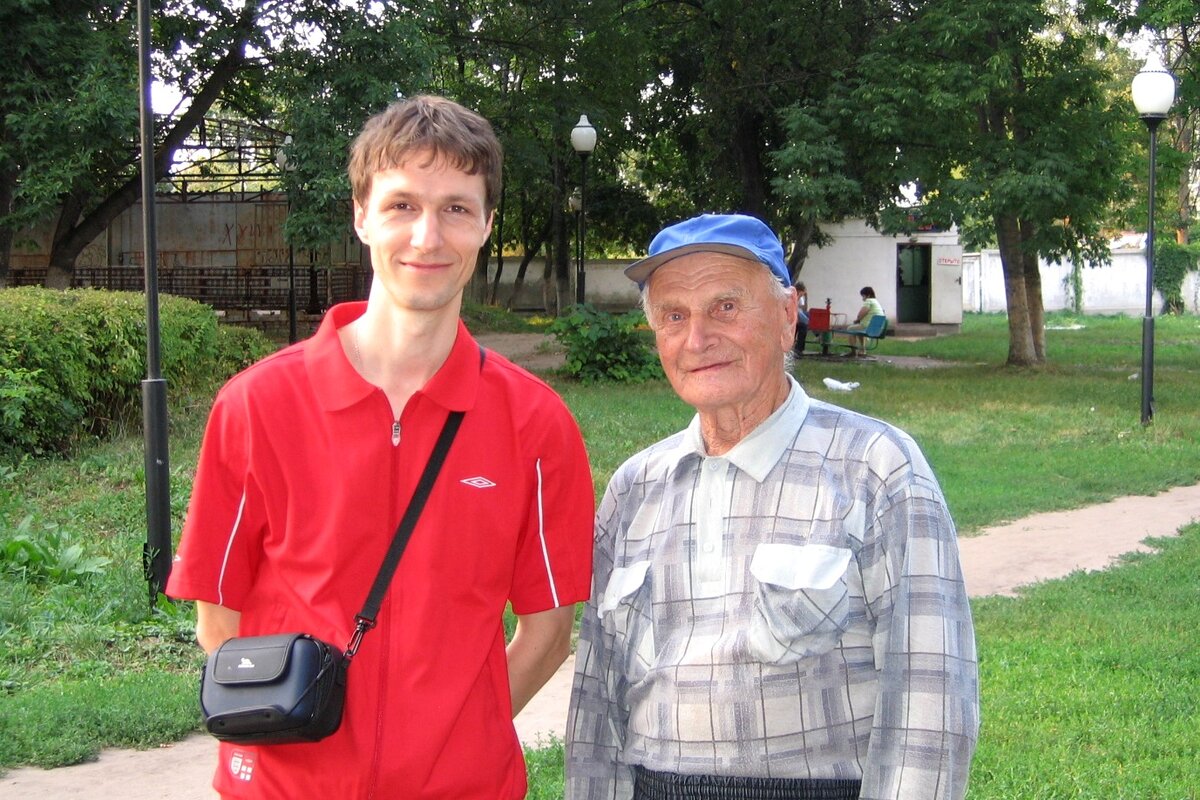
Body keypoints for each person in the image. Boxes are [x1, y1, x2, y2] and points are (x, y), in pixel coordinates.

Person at [167, 95, 595, 798]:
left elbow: (548, 633)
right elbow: (218, 614)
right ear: (361, 215)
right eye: (402, 205)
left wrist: (454, 741)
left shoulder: (536, 424)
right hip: (287, 786)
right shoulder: (255, 405)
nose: (428, 236)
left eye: (457, 207)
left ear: (487, 224)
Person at [566, 213, 978, 800]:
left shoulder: (876, 467)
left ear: (788, 318)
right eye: (674, 316)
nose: (697, 339)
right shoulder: (635, 487)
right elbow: (596, 704)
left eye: (726, 308)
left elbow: (930, 704)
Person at [847, 285, 884, 356]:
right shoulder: (876, 302)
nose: (862, 299)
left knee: (850, 329)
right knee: (859, 331)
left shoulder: (868, 301)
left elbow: (862, 312)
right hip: (875, 327)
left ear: (868, 295)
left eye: (863, 296)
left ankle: (853, 351)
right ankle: (862, 350)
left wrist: (857, 319)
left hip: (868, 326)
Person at [792, 280, 809, 355]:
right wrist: (798, 296)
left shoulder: (801, 298)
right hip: (794, 315)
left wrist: (806, 298)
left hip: (799, 316)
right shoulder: (792, 296)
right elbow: (793, 307)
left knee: (804, 325)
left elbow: (804, 308)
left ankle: (799, 349)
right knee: (805, 320)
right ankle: (817, 333)